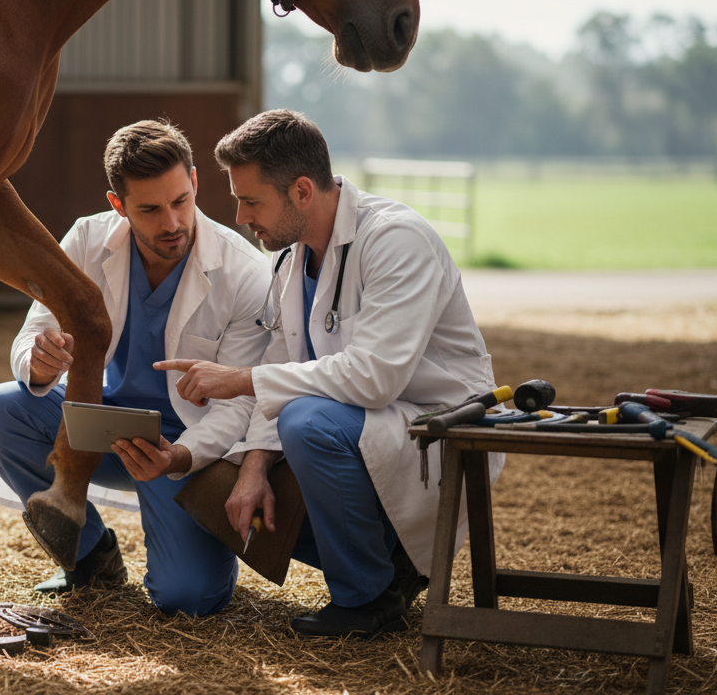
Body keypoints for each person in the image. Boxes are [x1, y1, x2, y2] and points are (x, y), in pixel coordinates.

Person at [156, 109, 503, 638]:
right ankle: (390, 563)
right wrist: (253, 470)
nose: (242, 217)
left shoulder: (396, 239)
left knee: (306, 423)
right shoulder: (289, 260)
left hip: (436, 425)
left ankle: (369, 597)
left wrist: (240, 380)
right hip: (366, 425)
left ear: (300, 191)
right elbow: (286, 366)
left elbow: (375, 378)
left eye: (251, 201)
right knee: (222, 484)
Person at [0, 119, 271, 616]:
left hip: (185, 449)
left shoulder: (245, 272)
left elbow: (240, 404)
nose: (171, 222)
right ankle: (91, 556)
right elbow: (30, 335)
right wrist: (39, 365)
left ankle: (195, 553)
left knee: (188, 600)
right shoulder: (88, 239)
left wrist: (178, 457)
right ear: (118, 206)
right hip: (100, 427)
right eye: (149, 210)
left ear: (195, 182)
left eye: (180, 201)